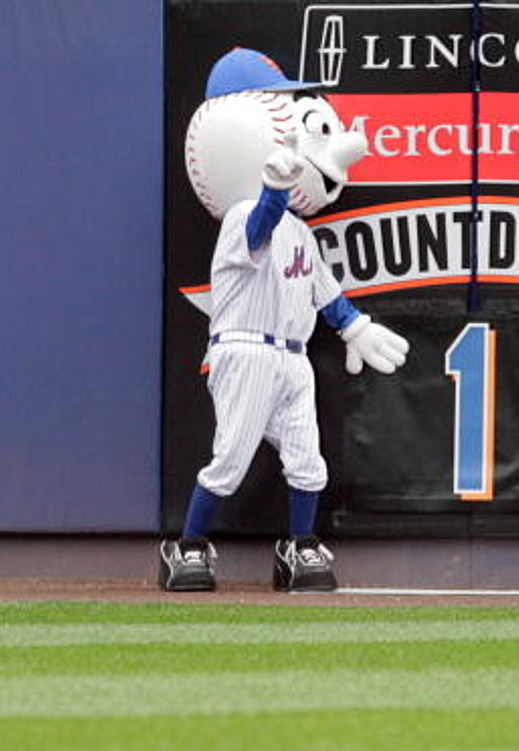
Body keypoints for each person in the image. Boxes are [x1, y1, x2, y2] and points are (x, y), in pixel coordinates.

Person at [158, 48, 409, 592]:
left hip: (293, 357)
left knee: (307, 461)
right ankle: (187, 547)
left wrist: (355, 327)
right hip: (244, 349)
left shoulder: (301, 231)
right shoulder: (245, 216)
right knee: (229, 460)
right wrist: (273, 190)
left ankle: (299, 547)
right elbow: (259, 230)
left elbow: (325, 292)